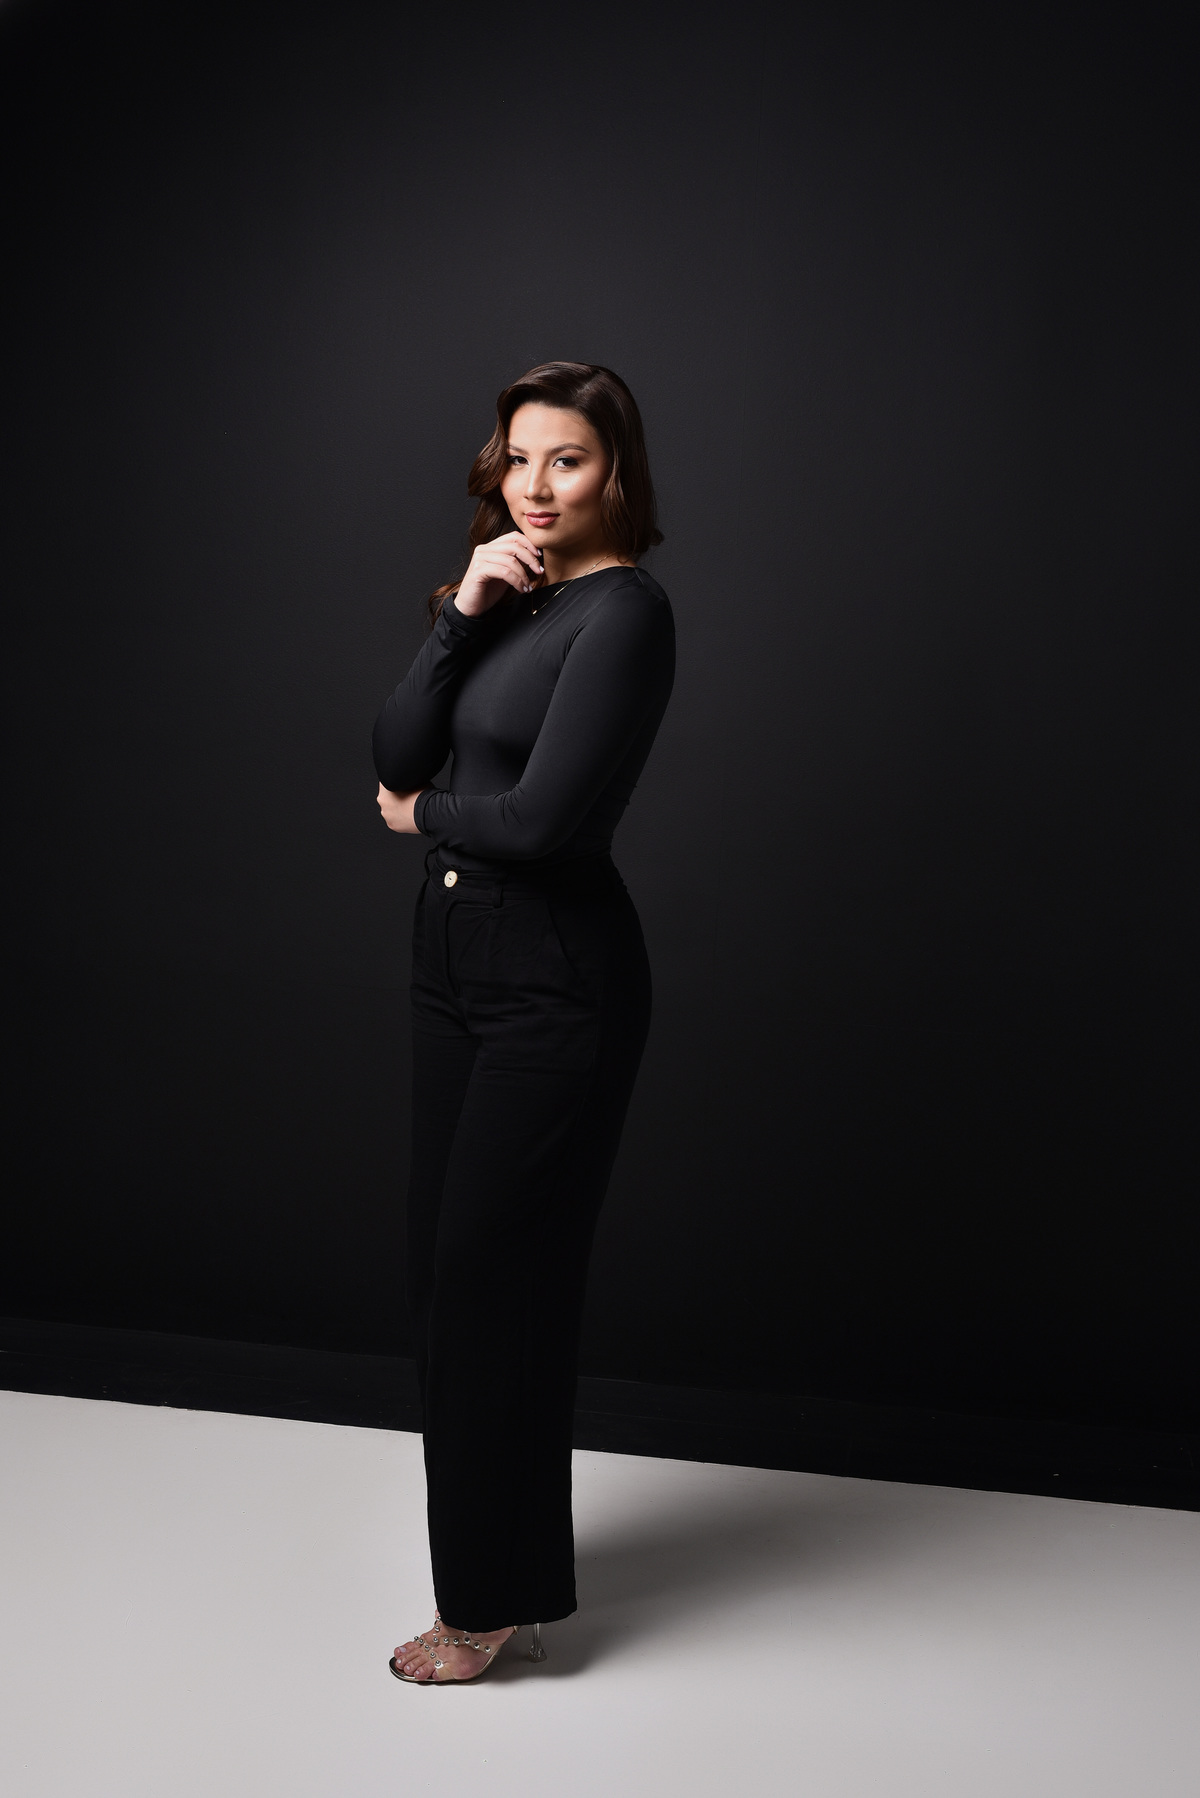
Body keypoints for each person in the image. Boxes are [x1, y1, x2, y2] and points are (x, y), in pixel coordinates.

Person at [373, 360, 675, 1684]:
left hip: (556, 979)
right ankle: (509, 1572)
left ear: (617, 472)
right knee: (446, 1289)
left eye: (568, 459)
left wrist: (423, 819)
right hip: (453, 966)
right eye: (517, 457)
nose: (536, 486)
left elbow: (541, 822)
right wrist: (462, 612)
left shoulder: (627, 614)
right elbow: (394, 745)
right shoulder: (511, 596)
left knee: (496, 1291)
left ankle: (487, 1603)